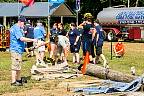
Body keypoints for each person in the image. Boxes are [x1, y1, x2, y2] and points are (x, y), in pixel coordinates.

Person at [10, 16, 37, 86]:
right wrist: (33, 40)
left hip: (18, 49)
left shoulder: (17, 28)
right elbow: (21, 38)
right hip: (16, 49)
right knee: (15, 66)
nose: (24, 25)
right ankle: (13, 82)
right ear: (19, 22)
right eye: (23, 23)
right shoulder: (16, 28)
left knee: (18, 65)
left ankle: (18, 80)